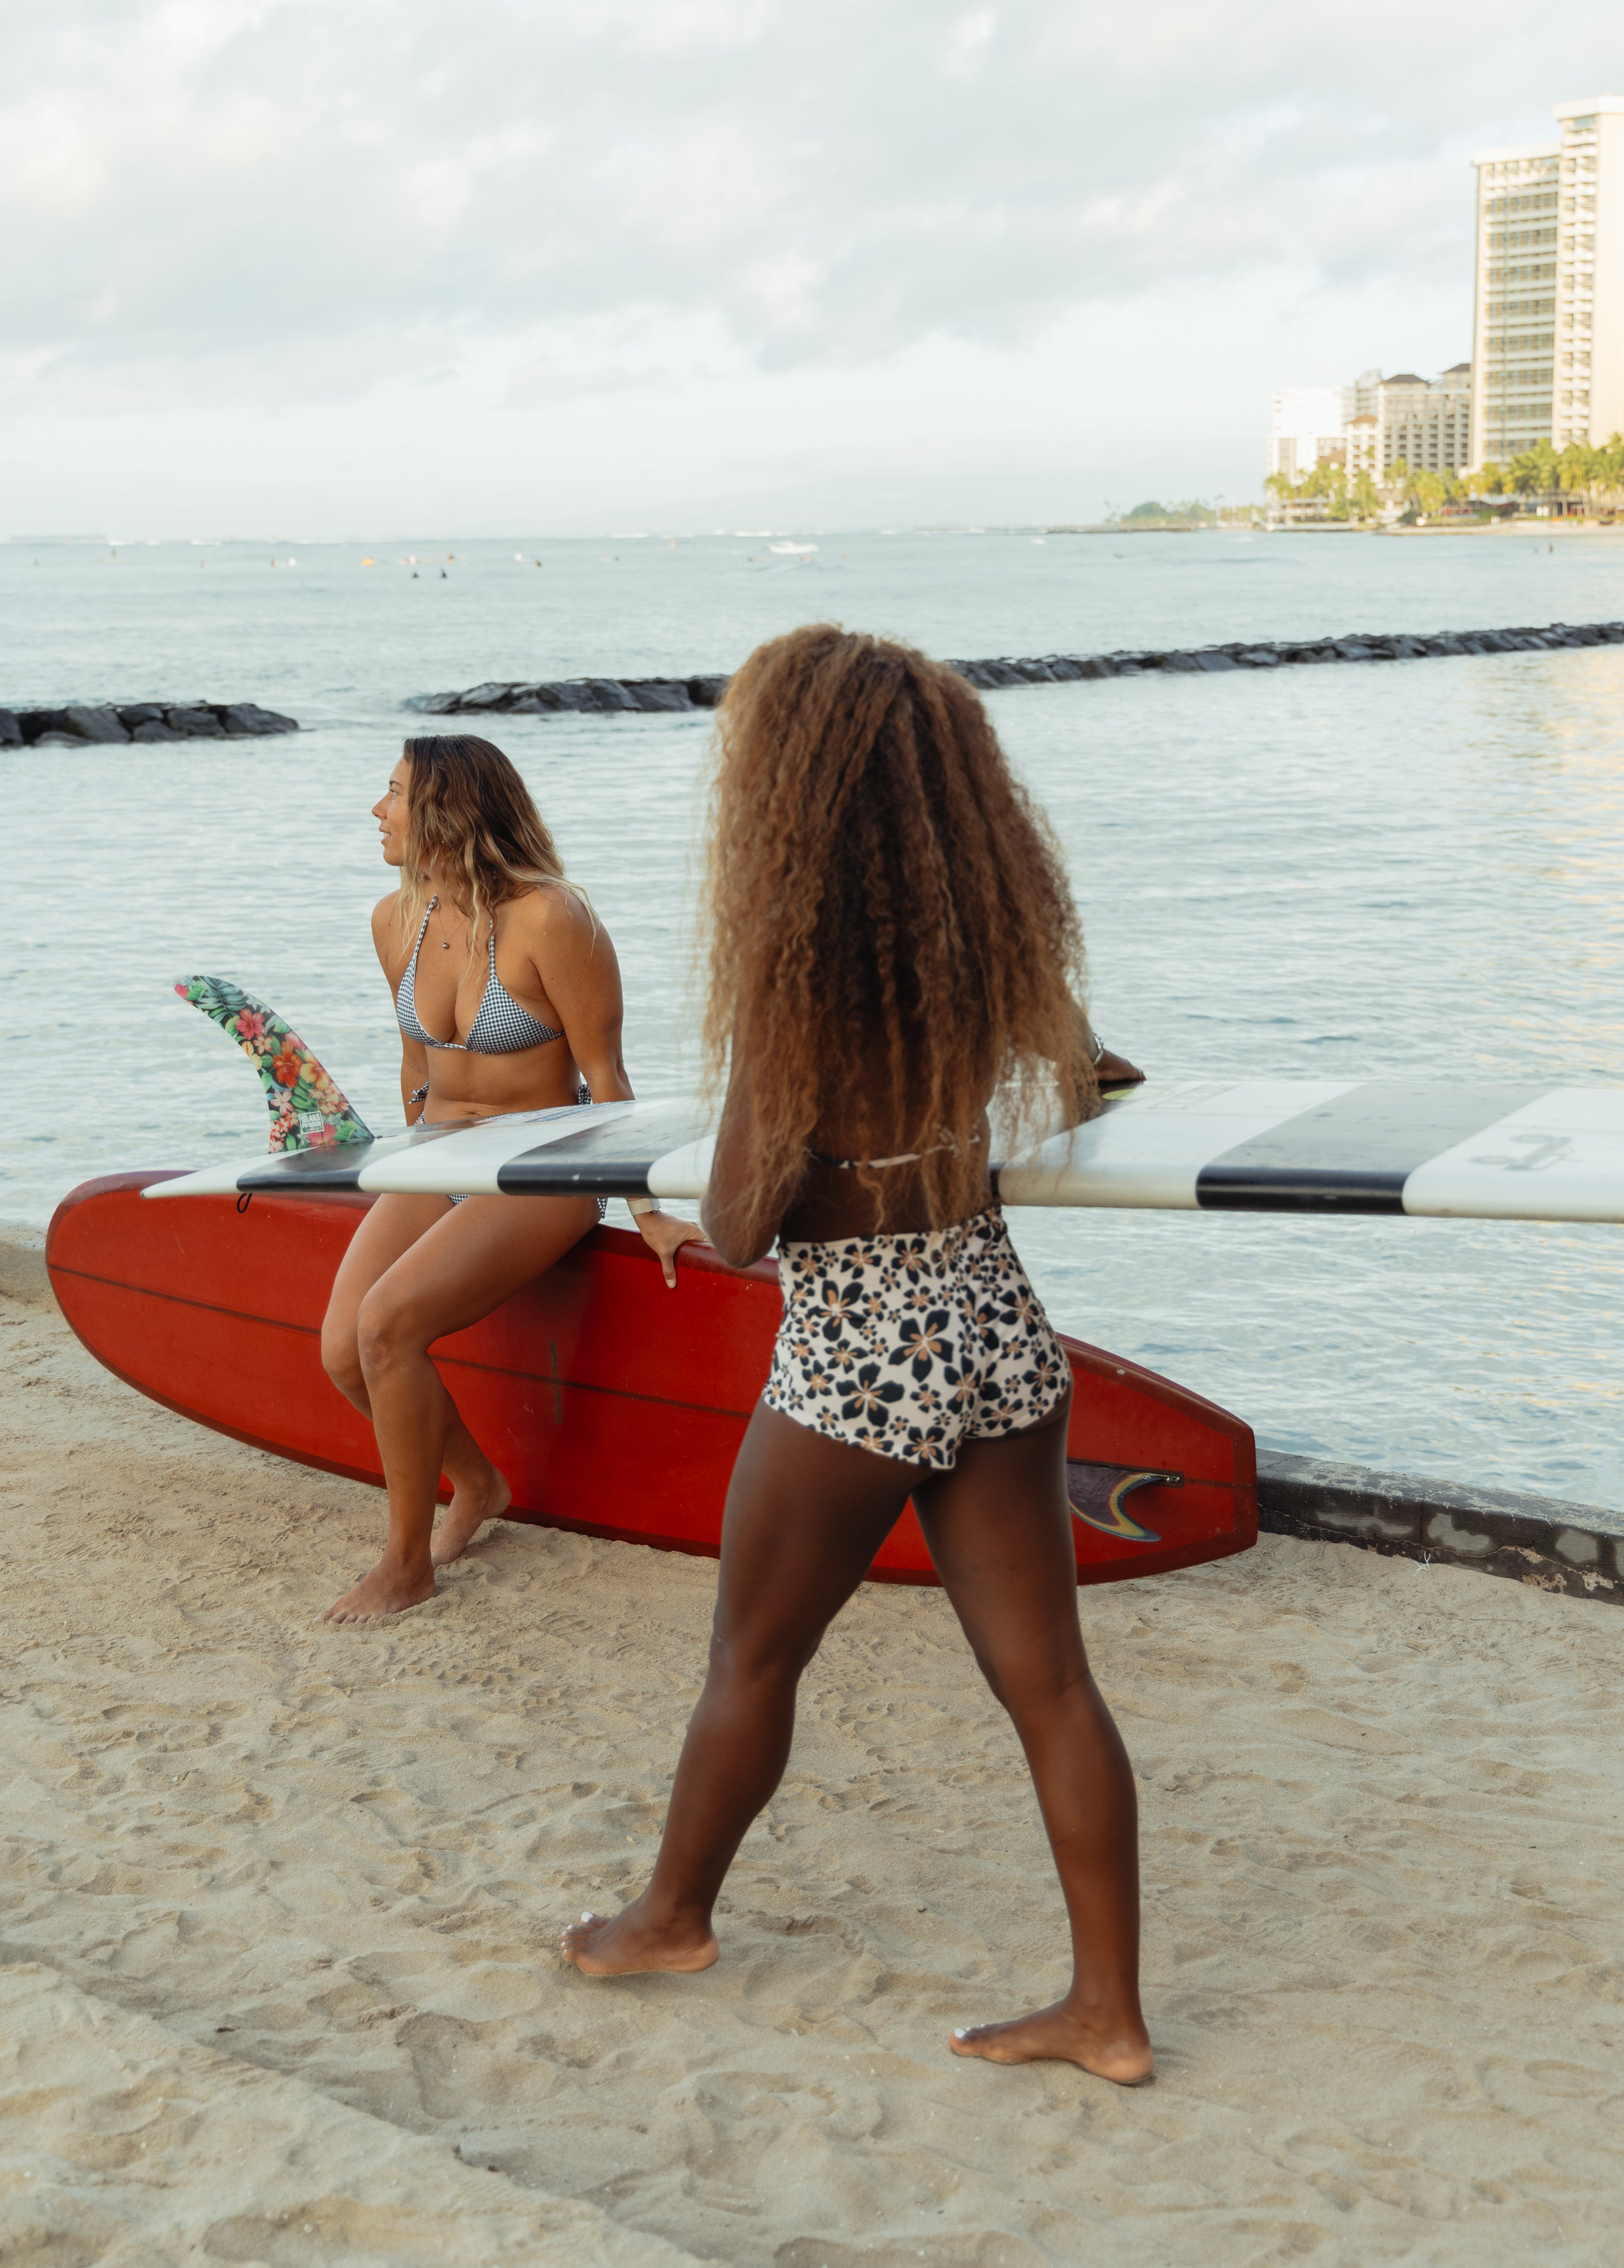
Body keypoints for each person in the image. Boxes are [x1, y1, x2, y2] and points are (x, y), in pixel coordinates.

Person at [561, 627, 1152, 2084]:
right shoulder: (989, 940)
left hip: (858, 1353)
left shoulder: (797, 970)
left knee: (754, 1654)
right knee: (1054, 1685)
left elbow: (750, 1224)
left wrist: (710, 1204)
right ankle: (1109, 2014)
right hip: (997, 1322)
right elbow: (1093, 1075)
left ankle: (669, 1916)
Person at [318, 733, 704, 1625]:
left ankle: (406, 1564)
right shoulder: (395, 921)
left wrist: (650, 1208)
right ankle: (479, 1484)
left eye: (393, 794)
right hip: (440, 1158)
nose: (377, 811)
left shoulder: (550, 919)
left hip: (547, 1169)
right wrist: (390, 1171)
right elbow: (417, 1072)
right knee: (346, 1352)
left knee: (388, 1325)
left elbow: (608, 1083)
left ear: (449, 810)